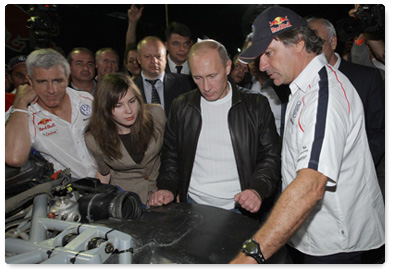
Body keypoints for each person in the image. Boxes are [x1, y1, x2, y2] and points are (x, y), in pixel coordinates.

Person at [231, 6, 384, 264]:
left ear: (299, 43)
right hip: (313, 236)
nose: (262, 64)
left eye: (269, 53)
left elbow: (311, 185)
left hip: (334, 244)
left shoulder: (324, 95)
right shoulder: (303, 88)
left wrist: (250, 257)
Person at [149, 39, 281, 216]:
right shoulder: (181, 106)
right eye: (198, 78)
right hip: (192, 204)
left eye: (212, 76)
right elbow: (171, 154)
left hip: (239, 207)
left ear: (227, 67)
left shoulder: (256, 105)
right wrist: (167, 187)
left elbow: (270, 156)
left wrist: (257, 190)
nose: (206, 87)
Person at [307, 17, 385, 197]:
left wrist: (355, 168)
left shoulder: (366, 78)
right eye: (308, 45)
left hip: (359, 181)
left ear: (333, 42)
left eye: (318, 43)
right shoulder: (302, 85)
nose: (313, 51)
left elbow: (379, 130)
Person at [5, 48, 96, 179]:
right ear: (29, 81)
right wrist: (20, 104)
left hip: (107, 187)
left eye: (57, 81)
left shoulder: (86, 100)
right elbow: (14, 158)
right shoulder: (22, 115)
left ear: (67, 77)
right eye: (42, 81)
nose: (51, 90)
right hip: (67, 195)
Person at [84, 73, 166, 205]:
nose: (129, 110)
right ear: (104, 108)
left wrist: (172, 189)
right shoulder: (95, 138)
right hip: (124, 202)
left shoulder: (156, 115)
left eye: (132, 101)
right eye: (118, 105)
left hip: (160, 197)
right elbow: (104, 174)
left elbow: (171, 155)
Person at [134, 36, 194, 116]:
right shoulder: (130, 87)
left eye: (158, 56)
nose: (154, 61)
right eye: (148, 56)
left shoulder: (186, 83)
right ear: (139, 59)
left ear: (165, 58)